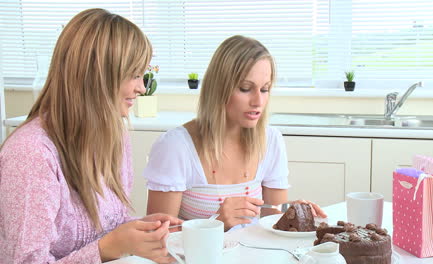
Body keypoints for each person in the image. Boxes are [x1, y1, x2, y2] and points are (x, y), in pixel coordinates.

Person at [0, 8, 182, 264]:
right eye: (134, 75)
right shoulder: (31, 154)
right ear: (97, 77)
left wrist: (140, 230)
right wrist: (108, 247)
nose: (141, 88)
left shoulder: (114, 134)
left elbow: (110, 225)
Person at [144, 35, 326, 231]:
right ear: (219, 89)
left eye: (265, 89)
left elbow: (273, 219)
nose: (258, 101)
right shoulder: (176, 146)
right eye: (245, 88)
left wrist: (292, 213)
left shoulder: (271, 140)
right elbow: (157, 238)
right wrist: (216, 224)